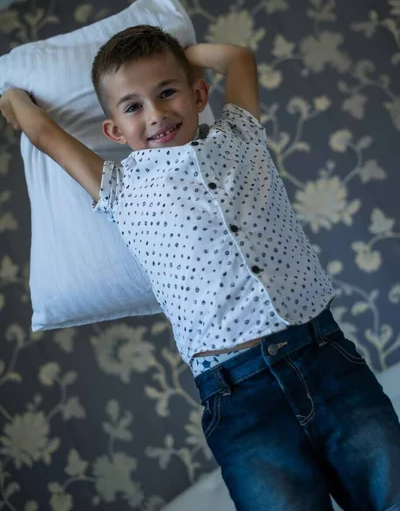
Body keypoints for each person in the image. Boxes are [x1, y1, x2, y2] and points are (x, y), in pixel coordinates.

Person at [1, 25, 399, 511]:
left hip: (323, 353)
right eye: (133, 107)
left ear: (198, 93)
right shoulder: (118, 188)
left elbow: (239, 58)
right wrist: (13, 98)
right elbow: (43, 132)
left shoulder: (241, 135)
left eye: (167, 92)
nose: (157, 113)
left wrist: (182, 53)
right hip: (237, 398)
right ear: (114, 131)